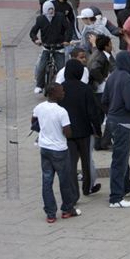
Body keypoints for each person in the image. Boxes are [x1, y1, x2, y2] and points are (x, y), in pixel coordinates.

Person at [32, 83, 81, 222]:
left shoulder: (39, 107)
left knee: (47, 181)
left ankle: (50, 213)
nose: (64, 93)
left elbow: (33, 121)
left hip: (45, 148)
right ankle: (67, 209)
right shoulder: (61, 112)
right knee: (65, 180)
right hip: (59, 150)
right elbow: (68, 133)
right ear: (53, 93)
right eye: (61, 91)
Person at [102, 51, 130, 208]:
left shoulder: (112, 76)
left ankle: (126, 187)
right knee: (120, 160)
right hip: (123, 123)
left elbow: (104, 100)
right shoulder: (127, 79)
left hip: (112, 121)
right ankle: (116, 197)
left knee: (121, 156)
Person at [59, 59, 101, 201]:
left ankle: (73, 194)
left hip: (67, 132)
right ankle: (87, 187)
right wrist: (98, 129)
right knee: (86, 161)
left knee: (71, 163)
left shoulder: (61, 88)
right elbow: (93, 112)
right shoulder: (85, 89)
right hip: (84, 131)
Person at [30, 1, 72, 94]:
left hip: (59, 47)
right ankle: (39, 85)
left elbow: (69, 29)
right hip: (46, 47)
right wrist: (36, 40)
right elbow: (33, 32)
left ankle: (62, 86)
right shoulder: (40, 19)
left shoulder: (60, 17)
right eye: (49, 10)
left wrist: (67, 40)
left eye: (52, 9)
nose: (51, 11)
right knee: (41, 67)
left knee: (62, 68)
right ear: (44, 11)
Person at [87, 35, 115, 150]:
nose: (112, 46)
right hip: (100, 91)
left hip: (97, 91)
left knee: (98, 117)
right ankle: (105, 141)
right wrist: (102, 80)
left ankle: (98, 143)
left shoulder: (99, 53)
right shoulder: (101, 57)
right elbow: (94, 69)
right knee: (112, 116)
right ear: (106, 46)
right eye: (110, 44)